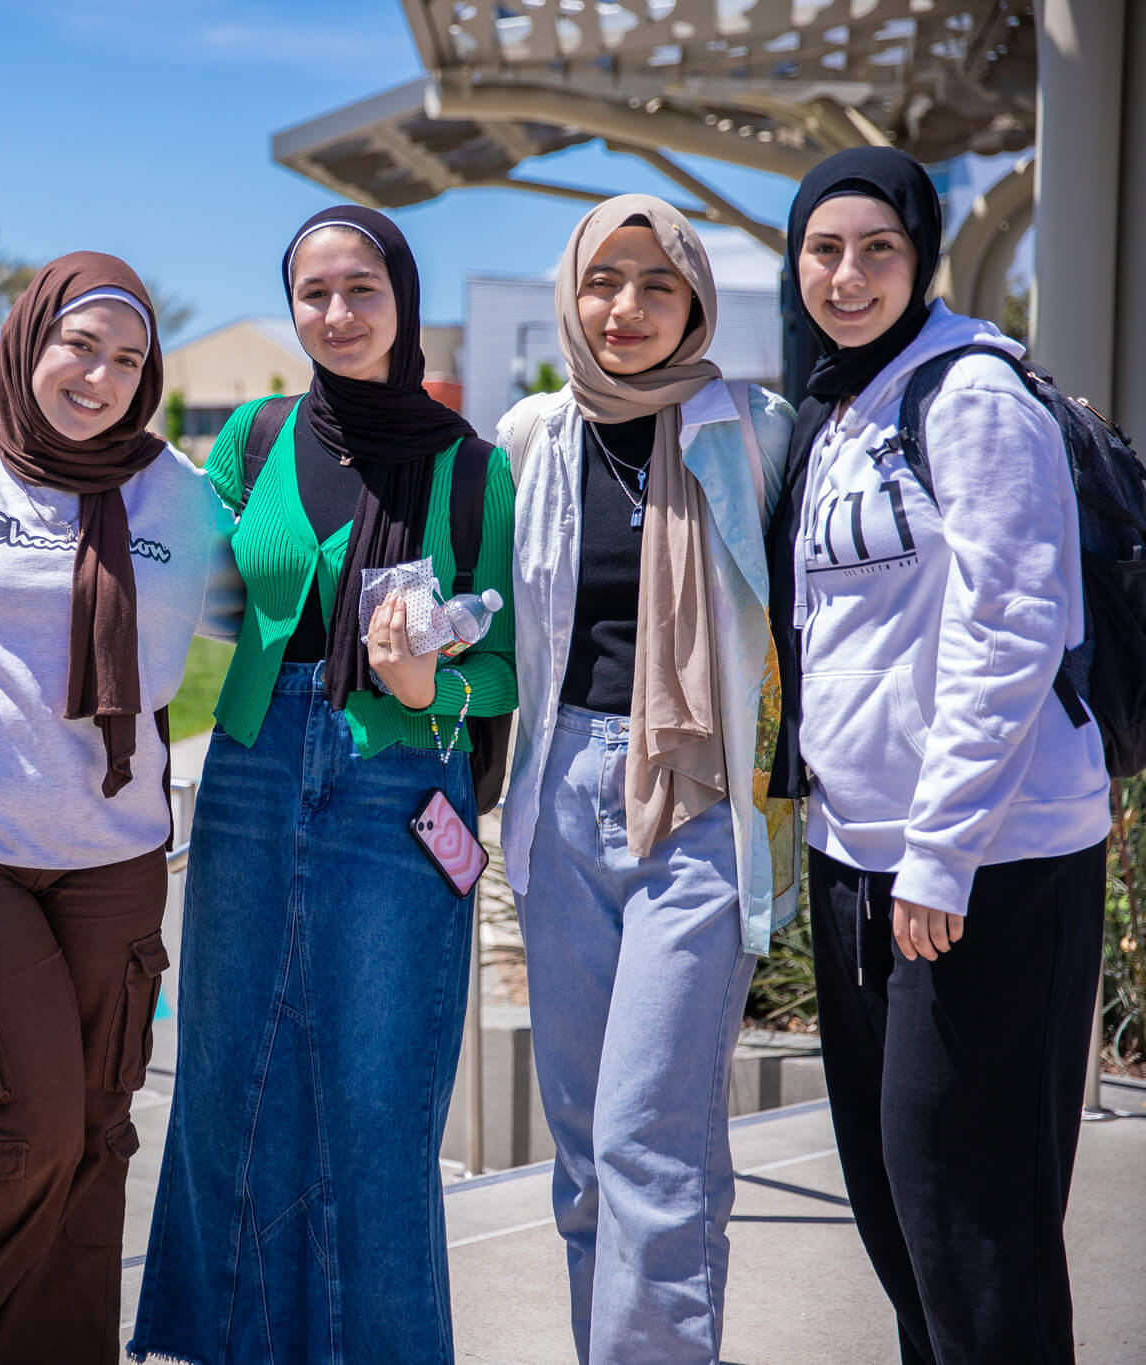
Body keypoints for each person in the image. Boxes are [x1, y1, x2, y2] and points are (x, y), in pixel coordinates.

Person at [130, 207, 516, 1365]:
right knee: (226, 1084)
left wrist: (423, 668)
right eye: (313, 293)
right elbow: (208, 592)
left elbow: (504, 673)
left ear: (400, 299)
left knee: (375, 1109)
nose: (336, 313)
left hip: (394, 785)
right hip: (248, 774)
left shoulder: (472, 467)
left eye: (360, 290)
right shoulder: (249, 438)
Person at [0, 253, 237, 1365]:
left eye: (126, 359)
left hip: (110, 855)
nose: (99, 377)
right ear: (29, 342)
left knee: (95, 1141)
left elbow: (270, 607)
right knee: (22, 1130)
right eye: (80, 345)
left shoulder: (177, 493)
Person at [770, 147, 1111, 1363]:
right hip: (862, 857)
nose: (847, 275)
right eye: (823, 249)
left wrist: (939, 852)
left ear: (918, 259)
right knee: (900, 1213)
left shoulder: (967, 394)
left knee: (973, 1222)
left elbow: (1010, 624)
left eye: (877, 250)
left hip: (984, 865)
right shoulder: (845, 402)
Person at [493, 196, 793, 1363]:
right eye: (600, 282)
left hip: (699, 800)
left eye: (653, 284)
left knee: (648, 1146)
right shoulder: (527, 439)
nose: (622, 309)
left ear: (694, 302)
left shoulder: (752, 429)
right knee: (579, 1154)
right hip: (560, 786)